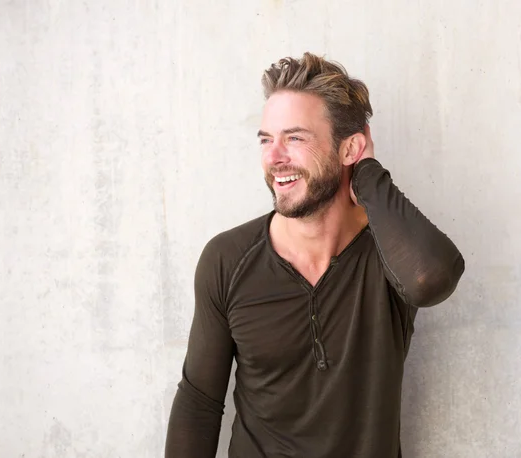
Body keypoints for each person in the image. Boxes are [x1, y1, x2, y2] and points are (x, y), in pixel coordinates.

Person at [165, 52, 465, 458]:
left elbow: (432, 278)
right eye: (266, 140)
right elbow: (198, 405)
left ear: (350, 149)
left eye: (295, 138)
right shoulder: (228, 259)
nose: (274, 158)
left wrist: (369, 175)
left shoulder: (390, 250)